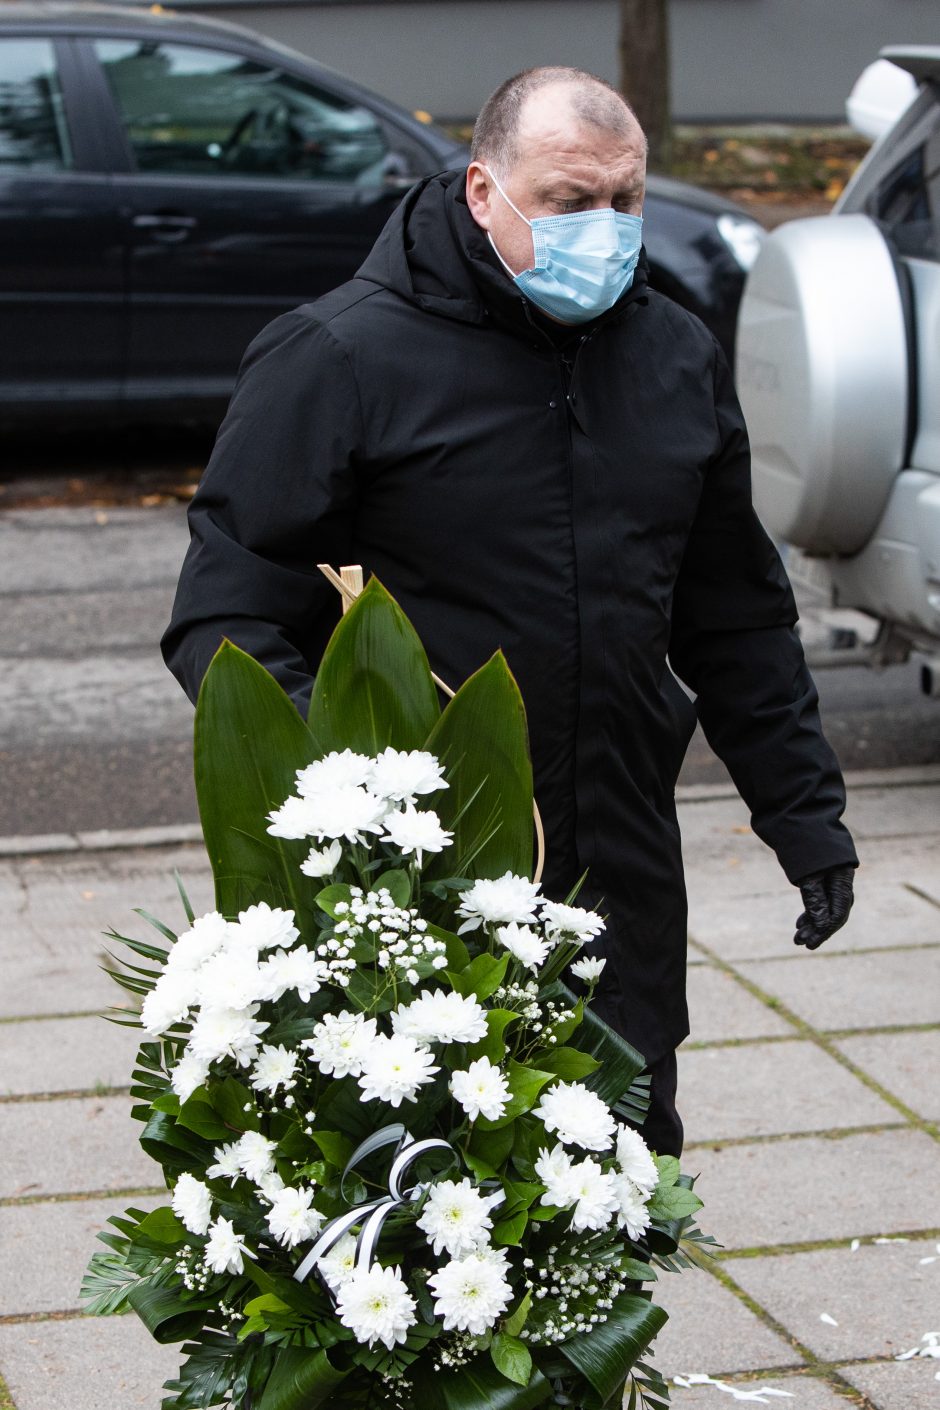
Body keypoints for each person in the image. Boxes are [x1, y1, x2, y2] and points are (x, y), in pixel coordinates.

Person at [162, 66, 858, 1157]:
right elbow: (225, 614)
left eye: (626, 200)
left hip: (619, 857)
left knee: (620, 1183)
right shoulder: (340, 356)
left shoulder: (673, 355)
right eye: (570, 201)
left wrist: (803, 813)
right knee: (435, 1220)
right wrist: (349, 794)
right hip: (420, 869)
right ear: (483, 190)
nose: (607, 228)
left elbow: (734, 614)